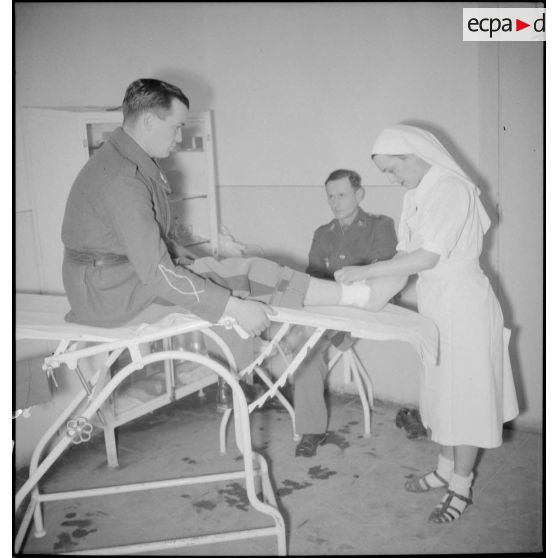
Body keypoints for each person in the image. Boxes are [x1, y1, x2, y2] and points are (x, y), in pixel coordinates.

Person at [61, 78, 397, 342]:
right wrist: (235, 309)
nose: (179, 137)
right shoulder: (123, 178)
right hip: (113, 296)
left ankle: (355, 295)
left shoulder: (121, 160)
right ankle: (360, 297)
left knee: (233, 270)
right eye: (177, 126)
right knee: (249, 273)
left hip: (108, 285)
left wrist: (187, 260)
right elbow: (159, 275)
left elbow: (142, 239)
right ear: (149, 120)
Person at [335, 124, 519, 523]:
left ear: (413, 155)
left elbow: (425, 258)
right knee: (440, 394)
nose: (391, 178)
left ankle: (461, 486)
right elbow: (403, 265)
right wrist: (361, 308)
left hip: (465, 305)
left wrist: (366, 271)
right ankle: (444, 469)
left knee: (466, 400)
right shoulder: (415, 195)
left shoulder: (451, 188)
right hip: (436, 303)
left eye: (392, 169)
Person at [287, 169, 397, 458]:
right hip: (328, 310)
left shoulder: (380, 226)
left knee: (302, 340)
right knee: (304, 349)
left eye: (342, 195)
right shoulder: (323, 234)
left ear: (359, 194)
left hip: (365, 307)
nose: (336, 202)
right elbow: (313, 278)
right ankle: (311, 429)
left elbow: (382, 275)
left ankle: (311, 342)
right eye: (331, 197)